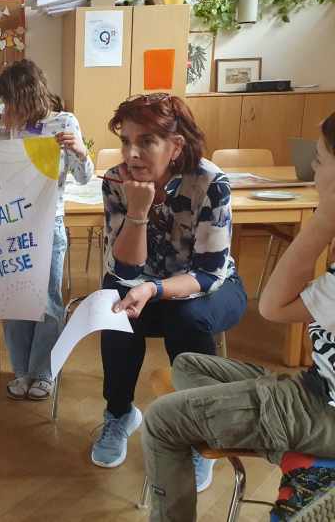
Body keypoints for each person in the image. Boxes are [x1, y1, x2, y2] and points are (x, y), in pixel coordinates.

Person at [139, 112, 335, 521]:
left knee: (161, 419)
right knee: (188, 365)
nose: (312, 170)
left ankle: (314, 469)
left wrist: (325, 217)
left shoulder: (209, 181)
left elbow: (273, 306)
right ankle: (310, 467)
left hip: (324, 407)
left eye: (319, 160)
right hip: (316, 384)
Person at [92, 94, 247, 484]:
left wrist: (154, 289)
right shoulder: (116, 181)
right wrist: (138, 210)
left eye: (146, 141)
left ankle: (201, 432)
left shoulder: (210, 182)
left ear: (176, 146)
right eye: (126, 140)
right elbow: (125, 270)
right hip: (143, 284)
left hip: (210, 287)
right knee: (116, 312)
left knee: (187, 316)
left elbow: (208, 274)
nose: (132, 153)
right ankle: (120, 414)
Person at [0, 59, 94, 401]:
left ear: (24, 96)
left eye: (8, 102)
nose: (5, 110)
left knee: (47, 300)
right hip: (14, 227)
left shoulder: (65, 122)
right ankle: (22, 370)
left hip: (48, 226)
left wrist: (80, 150)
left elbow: (84, 178)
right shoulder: (18, 127)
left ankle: (43, 371)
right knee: (13, 301)